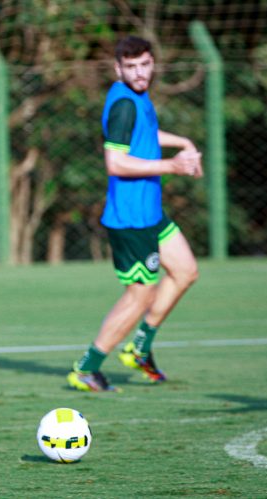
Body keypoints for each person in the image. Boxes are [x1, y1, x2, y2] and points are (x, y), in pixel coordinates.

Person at [67, 36, 203, 392]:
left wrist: (183, 143)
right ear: (118, 69)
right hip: (130, 218)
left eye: (144, 65)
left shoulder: (137, 98)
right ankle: (87, 367)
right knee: (141, 294)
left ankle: (140, 347)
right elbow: (116, 162)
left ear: (153, 63)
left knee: (186, 271)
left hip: (150, 212)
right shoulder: (124, 104)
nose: (139, 73)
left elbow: (147, 134)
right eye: (131, 67)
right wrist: (173, 166)